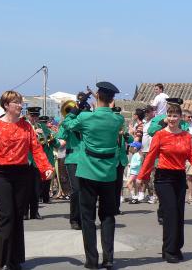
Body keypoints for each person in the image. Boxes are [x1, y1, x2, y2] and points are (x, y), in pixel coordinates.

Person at [0, 91, 53, 270]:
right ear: (6, 106)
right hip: (0, 175)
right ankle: (5, 260)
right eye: (15, 102)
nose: (19, 105)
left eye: (20, 102)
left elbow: (36, 149)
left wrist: (46, 167)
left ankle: (15, 260)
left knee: (17, 216)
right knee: (7, 215)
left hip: (21, 174)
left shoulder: (26, 127)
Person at [62, 81, 124, 270]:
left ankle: (91, 260)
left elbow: (67, 123)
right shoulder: (117, 120)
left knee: (87, 218)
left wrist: (79, 105)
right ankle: (109, 258)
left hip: (88, 172)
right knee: (107, 216)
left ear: (97, 96)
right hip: (108, 173)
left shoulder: (87, 117)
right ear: (112, 99)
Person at [137, 99, 192, 263]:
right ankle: (169, 250)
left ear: (181, 117)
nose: (172, 119)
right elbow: (151, 156)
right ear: (167, 117)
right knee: (171, 212)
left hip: (179, 177)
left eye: (175, 116)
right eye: (170, 115)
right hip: (163, 177)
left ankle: (175, 248)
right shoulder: (160, 134)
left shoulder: (186, 136)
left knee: (179, 214)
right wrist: (142, 177)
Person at [57, 101, 87, 230]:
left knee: (86, 191)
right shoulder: (67, 123)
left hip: (86, 159)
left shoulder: (85, 120)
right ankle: (74, 219)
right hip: (73, 158)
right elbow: (61, 138)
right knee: (76, 190)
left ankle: (85, 218)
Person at [24, 106, 45, 220]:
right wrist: (33, 132)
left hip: (36, 161)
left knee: (36, 188)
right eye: (32, 116)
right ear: (28, 115)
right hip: (25, 160)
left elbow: (45, 141)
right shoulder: (24, 125)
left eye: (36, 116)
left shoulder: (40, 126)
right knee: (25, 188)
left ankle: (35, 212)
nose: (35, 118)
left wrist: (42, 136)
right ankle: (24, 212)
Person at [113, 107, 132, 213]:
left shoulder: (123, 131)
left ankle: (116, 207)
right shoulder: (110, 131)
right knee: (110, 185)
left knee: (118, 184)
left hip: (121, 160)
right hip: (111, 160)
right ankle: (110, 206)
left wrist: (125, 133)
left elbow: (132, 140)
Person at [38, 115, 60, 204]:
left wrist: (52, 138)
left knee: (46, 178)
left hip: (46, 158)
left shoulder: (50, 133)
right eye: (43, 123)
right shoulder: (37, 132)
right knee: (42, 178)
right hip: (41, 157)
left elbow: (56, 144)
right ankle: (42, 196)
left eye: (45, 123)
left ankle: (43, 197)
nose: (44, 124)